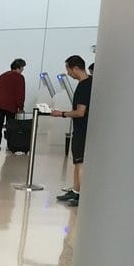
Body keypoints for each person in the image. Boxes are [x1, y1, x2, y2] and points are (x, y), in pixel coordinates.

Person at [54, 55, 92, 206]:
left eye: (68, 70)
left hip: (82, 129)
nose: (68, 73)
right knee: (77, 163)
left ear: (75, 68)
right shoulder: (88, 83)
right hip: (81, 129)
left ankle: (80, 194)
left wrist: (61, 114)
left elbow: (80, 112)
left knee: (80, 163)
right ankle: (76, 190)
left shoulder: (84, 86)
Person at [0, 58, 26, 150]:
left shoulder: (2, 76)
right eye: (22, 67)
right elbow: (20, 93)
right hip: (10, 104)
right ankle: (10, 144)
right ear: (19, 67)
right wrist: (20, 107)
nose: (23, 70)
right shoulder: (20, 77)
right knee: (10, 125)